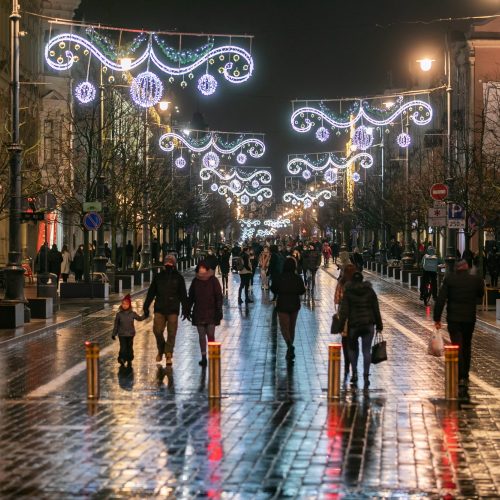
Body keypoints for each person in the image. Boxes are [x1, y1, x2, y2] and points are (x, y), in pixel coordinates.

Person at [434, 260, 484, 388]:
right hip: (469, 320)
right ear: (467, 268)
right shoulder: (474, 280)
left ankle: (461, 375)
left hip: (454, 320)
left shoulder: (450, 279)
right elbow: (480, 294)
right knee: (467, 346)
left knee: (457, 346)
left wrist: (437, 318)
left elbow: (441, 299)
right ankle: (465, 375)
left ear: (456, 268)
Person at [338, 272, 383, 388]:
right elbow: (376, 309)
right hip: (368, 324)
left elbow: (344, 311)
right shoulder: (370, 292)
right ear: (362, 280)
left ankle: (354, 373)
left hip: (354, 325)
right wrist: (379, 325)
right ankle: (366, 375)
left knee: (353, 349)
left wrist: (341, 324)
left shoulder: (348, 292)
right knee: (366, 350)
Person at [143, 254, 188, 366]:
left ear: (174, 264)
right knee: (157, 331)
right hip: (160, 308)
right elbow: (151, 292)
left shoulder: (179, 277)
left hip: (173, 309)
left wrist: (185, 309)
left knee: (172, 333)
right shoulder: (158, 277)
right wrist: (146, 306)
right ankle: (161, 349)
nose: (168, 263)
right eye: (167, 262)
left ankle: (168, 354)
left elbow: (183, 295)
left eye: (170, 262)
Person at [188, 261, 223, 367]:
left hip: (211, 312)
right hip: (199, 312)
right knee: (201, 336)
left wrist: (219, 309)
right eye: (200, 269)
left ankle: (212, 356)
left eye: (203, 268)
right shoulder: (195, 281)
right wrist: (187, 309)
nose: (202, 271)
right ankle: (203, 357)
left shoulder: (213, 280)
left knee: (211, 335)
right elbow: (191, 297)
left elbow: (218, 296)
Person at [270, 257, 306, 361]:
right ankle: (290, 347)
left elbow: (273, 288)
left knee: (284, 327)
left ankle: (289, 345)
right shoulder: (297, 278)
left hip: (282, 304)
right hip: (294, 305)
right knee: (292, 327)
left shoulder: (280, 277)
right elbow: (302, 290)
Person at [334, 263, 357, 379]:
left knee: (345, 340)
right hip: (356, 316)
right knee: (354, 342)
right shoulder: (358, 284)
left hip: (344, 316)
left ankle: (347, 364)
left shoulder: (341, 283)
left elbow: (337, 300)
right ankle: (355, 368)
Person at [112, 294, 145, 369]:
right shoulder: (119, 314)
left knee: (129, 347)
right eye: (123, 304)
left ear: (129, 305)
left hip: (130, 334)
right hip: (122, 334)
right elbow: (116, 325)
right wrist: (114, 334)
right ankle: (122, 359)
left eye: (126, 304)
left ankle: (129, 359)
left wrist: (145, 314)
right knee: (123, 347)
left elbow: (140, 318)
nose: (124, 305)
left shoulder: (132, 314)